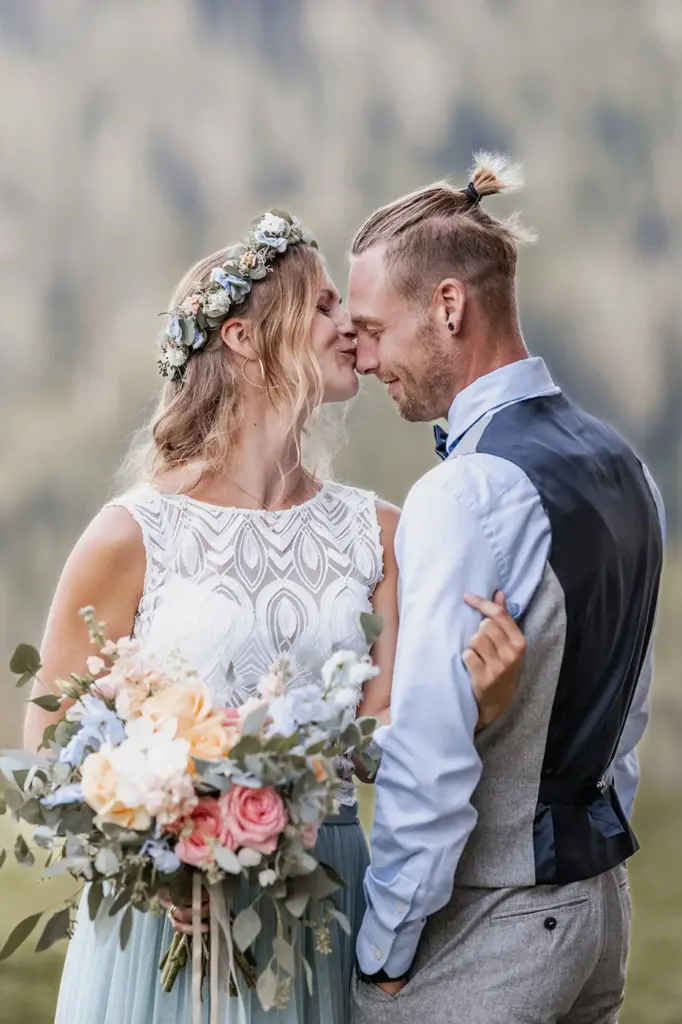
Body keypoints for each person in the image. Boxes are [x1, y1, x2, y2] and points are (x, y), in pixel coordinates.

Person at [24, 210, 526, 1024]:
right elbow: (49, 747)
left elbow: (382, 740)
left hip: (317, 898)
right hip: (164, 918)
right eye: (327, 305)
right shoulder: (130, 533)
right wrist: (156, 866)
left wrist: (480, 705)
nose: (354, 328)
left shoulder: (382, 534)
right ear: (245, 338)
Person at [347, 155, 666, 1024]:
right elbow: (625, 713)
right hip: (598, 911)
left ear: (448, 305)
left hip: (492, 925)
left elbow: (430, 756)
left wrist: (381, 953)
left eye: (375, 329)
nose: (366, 357)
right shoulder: (624, 463)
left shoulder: (465, 493)